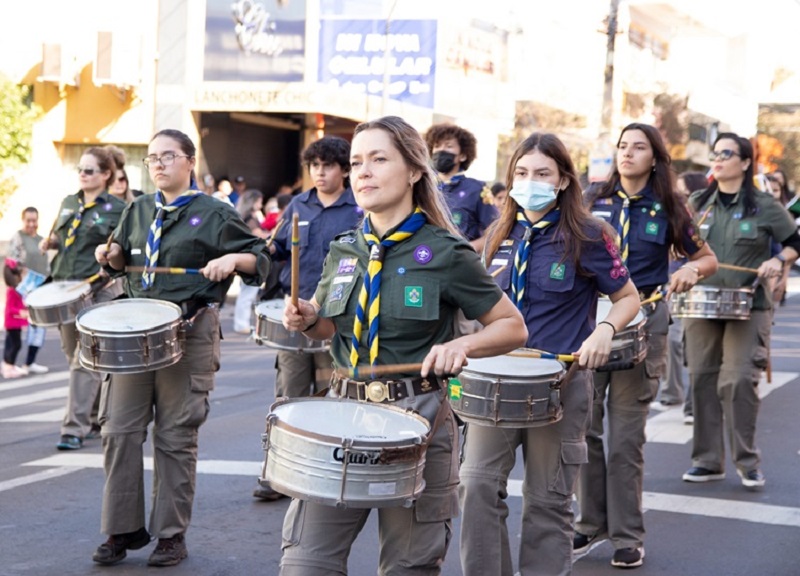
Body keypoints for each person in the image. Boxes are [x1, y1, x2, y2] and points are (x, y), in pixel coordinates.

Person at [280, 115, 527, 575]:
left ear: (414, 169)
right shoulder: (344, 249)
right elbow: (328, 329)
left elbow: (512, 327)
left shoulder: (448, 252)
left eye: (378, 159)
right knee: (304, 562)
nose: (363, 172)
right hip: (343, 416)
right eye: (357, 163)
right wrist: (309, 319)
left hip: (420, 420)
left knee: (409, 567)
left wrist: (464, 348)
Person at [458, 132, 640, 576]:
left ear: (562, 181)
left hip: (559, 386)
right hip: (493, 384)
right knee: (476, 485)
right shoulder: (496, 235)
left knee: (547, 501)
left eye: (542, 173)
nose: (529, 181)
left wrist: (604, 330)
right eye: (521, 173)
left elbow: (628, 297)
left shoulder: (589, 234)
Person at [92, 128, 270, 567]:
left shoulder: (213, 212)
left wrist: (233, 260)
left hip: (187, 329)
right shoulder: (137, 208)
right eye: (152, 158)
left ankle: (171, 534)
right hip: (135, 329)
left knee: (175, 436)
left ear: (190, 161)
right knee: (117, 430)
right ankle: (121, 528)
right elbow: (121, 255)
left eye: (167, 156)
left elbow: (260, 258)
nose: (157, 164)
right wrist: (109, 255)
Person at [577, 123, 718, 569]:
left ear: (654, 157)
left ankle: (627, 534)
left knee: (625, 438)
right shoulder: (588, 201)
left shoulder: (670, 205)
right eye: (622, 146)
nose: (627, 153)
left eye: (638, 147)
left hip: (644, 326)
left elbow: (706, 257)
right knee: (584, 430)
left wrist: (690, 272)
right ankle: (588, 523)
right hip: (588, 323)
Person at [682, 132, 800, 491]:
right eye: (715, 153)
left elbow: (795, 241)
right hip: (701, 303)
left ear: (746, 162)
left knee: (737, 381)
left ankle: (747, 461)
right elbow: (679, 242)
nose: (717, 159)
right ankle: (707, 460)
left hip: (750, 304)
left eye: (727, 153)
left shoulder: (764, 205)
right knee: (702, 379)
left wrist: (777, 259)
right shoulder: (698, 201)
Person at [253, 135, 363, 500]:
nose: (319, 172)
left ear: (344, 169)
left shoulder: (359, 208)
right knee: (289, 393)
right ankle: (278, 472)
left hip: (338, 315)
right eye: (314, 165)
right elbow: (278, 249)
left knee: (331, 393)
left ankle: (326, 470)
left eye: (328, 165)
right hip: (296, 312)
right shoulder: (299, 205)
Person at [41, 147, 128, 451]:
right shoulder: (68, 203)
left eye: (90, 170)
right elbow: (63, 238)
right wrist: (50, 241)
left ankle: (72, 429)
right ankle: (92, 416)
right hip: (64, 287)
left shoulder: (118, 209)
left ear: (106, 175)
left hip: (97, 288)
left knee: (83, 358)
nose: (82, 174)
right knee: (75, 357)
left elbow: (122, 250)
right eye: (80, 168)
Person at [655, 170, 708, 422]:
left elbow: (708, 257)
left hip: (701, 291)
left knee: (696, 350)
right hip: (671, 286)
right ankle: (671, 392)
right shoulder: (670, 214)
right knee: (673, 341)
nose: (679, 199)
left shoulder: (703, 219)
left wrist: (691, 265)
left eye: (685, 195)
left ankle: (694, 404)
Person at [424, 123, 497, 252]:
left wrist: (467, 250)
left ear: (462, 155)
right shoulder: (423, 188)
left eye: (449, 146)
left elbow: (495, 231)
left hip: (460, 263)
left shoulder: (477, 189)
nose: (441, 150)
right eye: (437, 146)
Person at [8, 206, 50, 374]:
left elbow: (46, 265)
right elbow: (11, 263)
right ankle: (9, 364)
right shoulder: (18, 237)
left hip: (40, 289)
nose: (32, 224)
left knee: (39, 327)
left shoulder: (42, 240)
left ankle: (30, 362)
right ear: (23, 220)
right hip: (23, 290)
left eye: (34, 220)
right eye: (28, 221)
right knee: (17, 327)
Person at [233, 189, 269, 334]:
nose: (261, 205)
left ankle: (241, 323)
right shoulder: (250, 218)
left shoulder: (244, 216)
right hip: (250, 257)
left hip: (244, 255)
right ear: (253, 201)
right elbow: (259, 235)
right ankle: (241, 324)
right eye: (259, 201)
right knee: (248, 293)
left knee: (246, 292)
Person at [3, 258, 29, 379]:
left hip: (15, 323)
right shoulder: (11, 291)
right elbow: (10, 308)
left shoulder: (16, 290)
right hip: (12, 323)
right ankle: (8, 367)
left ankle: (10, 365)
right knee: (14, 345)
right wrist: (21, 311)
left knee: (14, 344)